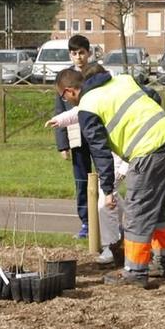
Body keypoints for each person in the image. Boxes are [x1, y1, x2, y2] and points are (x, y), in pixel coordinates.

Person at [49, 63, 165, 287]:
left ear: (69, 92)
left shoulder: (88, 107)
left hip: (147, 151)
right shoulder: (122, 80)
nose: (67, 101)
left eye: (64, 97)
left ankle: (135, 270)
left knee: (136, 212)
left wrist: (108, 189)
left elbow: (100, 152)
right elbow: (153, 96)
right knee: (161, 207)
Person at [52, 35, 98, 238]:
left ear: (88, 53)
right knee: (81, 182)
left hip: (97, 134)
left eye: (82, 53)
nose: (78, 57)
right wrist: (63, 145)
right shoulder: (65, 78)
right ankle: (86, 222)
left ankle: (105, 220)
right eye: (74, 53)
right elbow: (59, 111)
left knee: (106, 178)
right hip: (76, 137)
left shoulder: (96, 74)